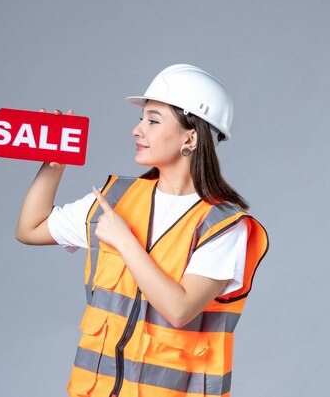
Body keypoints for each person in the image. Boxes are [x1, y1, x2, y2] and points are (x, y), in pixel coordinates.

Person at [15, 64, 269, 397]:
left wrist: (124, 240)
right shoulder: (116, 199)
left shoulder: (222, 226)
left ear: (190, 137)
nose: (137, 130)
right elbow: (30, 229)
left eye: (152, 120)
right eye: (140, 119)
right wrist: (52, 166)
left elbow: (179, 309)